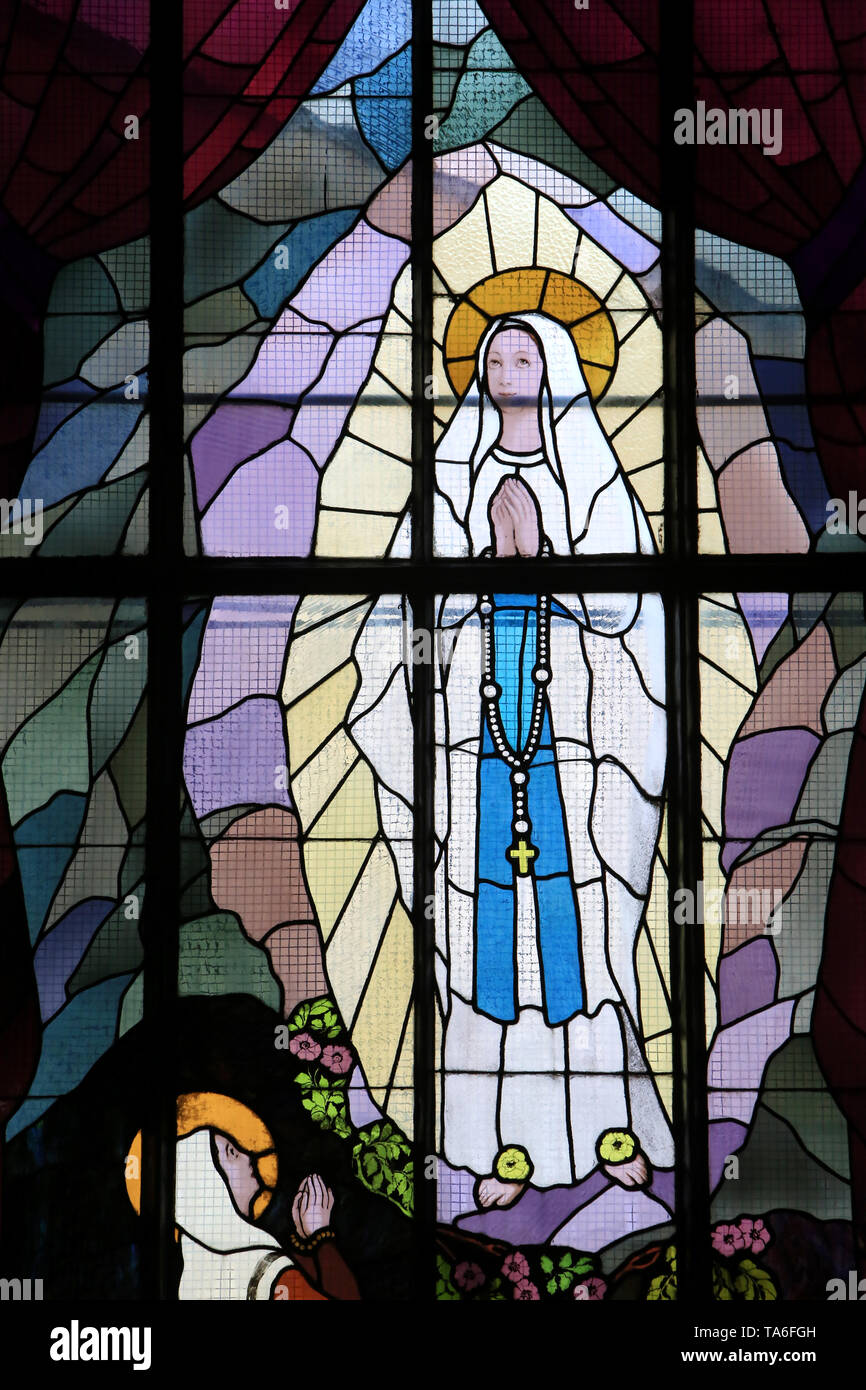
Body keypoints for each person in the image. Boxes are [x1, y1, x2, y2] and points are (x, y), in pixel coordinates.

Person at [426, 310, 673, 1204]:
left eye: (525, 354)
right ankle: (500, 1145)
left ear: (556, 369)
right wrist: (492, 558)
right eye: (495, 355)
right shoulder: (453, 471)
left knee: (583, 933)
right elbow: (413, 605)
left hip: (576, 736)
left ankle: (608, 1132)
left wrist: (543, 557)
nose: (508, 366)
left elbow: (626, 604)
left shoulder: (591, 474)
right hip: (477, 731)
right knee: (487, 936)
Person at [128, 1092, 360, 1298]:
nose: (249, 1156)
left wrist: (304, 1246)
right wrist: (322, 1238)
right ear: (209, 1179)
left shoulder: (193, 1278)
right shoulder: (265, 1273)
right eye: (232, 1152)